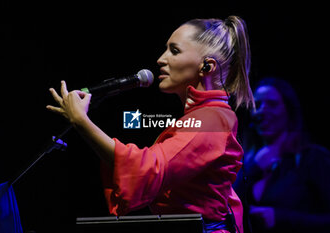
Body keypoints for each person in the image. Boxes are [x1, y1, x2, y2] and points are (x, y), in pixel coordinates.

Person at [47, 16, 255, 233]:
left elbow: (148, 168)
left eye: (174, 51)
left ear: (207, 66)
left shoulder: (211, 120)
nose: (160, 59)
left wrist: (81, 122)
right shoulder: (208, 116)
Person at [233, 77, 330, 233]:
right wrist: (252, 170)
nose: (263, 110)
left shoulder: (313, 158)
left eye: (272, 104)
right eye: (257, 105)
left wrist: (281, 218)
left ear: (289, 111)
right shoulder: (246, 161)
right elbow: (227, 208)